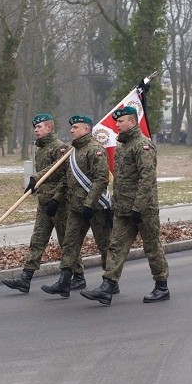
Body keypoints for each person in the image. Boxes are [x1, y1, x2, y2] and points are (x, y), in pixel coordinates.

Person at [82, 106, 170, 305]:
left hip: (143, 209)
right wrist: (115, 204)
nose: (117, 125)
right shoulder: (122, 148)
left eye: (121, 121)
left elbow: (147, 179)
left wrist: (138, 207)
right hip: (122, 209)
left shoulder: (143, 146)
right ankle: (108, 285)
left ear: (132, 122)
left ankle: (161, 285)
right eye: (117, 122)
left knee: (152, 247)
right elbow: (120, 180)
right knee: (116, 247)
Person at [40, 115, 111, 297]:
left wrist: (89, 204)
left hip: (96, 209)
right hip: (76, 208)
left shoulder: (95, 150)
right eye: (71, 128)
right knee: (69, 244)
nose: (71, 130)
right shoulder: (72, 152)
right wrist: (57, 199)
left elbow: (101, 180)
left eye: (76, 127)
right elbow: (66, 179)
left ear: (86, 130)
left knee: (105, 246)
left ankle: (110, 282)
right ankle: (64, 281)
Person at [2, 113, 68, 293]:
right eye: (35, 127)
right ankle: (26, 278)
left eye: (39, 127)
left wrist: (57, 198)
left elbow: (65, 178)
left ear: (49, 128)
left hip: (59, 204)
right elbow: (44, 177)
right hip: (43, 202)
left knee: (67, 242)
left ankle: (76, 276)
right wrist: (35, 187)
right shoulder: (40, 149)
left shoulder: (60, 149)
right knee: (37, 240)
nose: (36, 130)